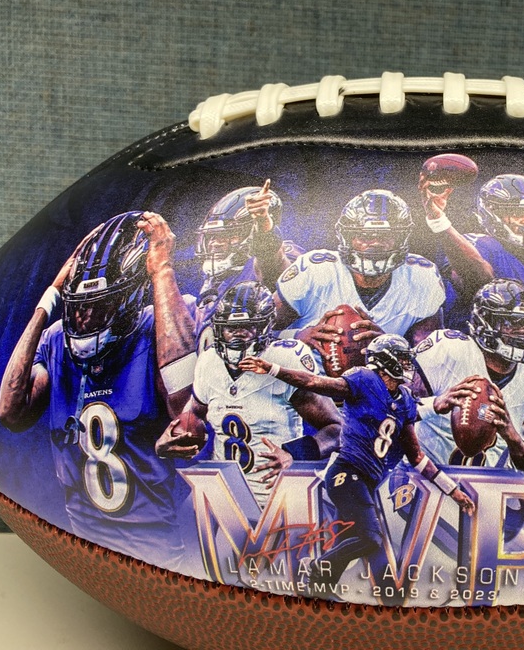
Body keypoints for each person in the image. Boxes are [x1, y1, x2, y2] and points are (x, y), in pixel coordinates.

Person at [0, 211, 198, 569]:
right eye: (78, 308)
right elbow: (10, 412)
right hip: (83, 539)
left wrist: (161, 271)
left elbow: (183, 404)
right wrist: (49, 299)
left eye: (99, 306)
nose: (85, 319)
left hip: (153, 545)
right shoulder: (56, 340)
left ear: (128, 300)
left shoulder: (159, 327)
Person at [243, 334, 475, 590]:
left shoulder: (405, 399)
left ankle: (319, 588)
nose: (407, 364)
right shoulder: (365, 380)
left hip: (368, 481)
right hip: (347, 473)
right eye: (401, 359)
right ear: (385, 360)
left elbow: (417, 457)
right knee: (371, 539)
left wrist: (452, 490)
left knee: (348, 541)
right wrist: (273, 369)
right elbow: (315, 382)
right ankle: (317, 567)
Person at [156, 281, 342, 507]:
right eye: (230, 328)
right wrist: (168, 441)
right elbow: (193, 416)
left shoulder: (284, 360)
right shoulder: (209, 362)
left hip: (279, 500)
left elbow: (337, 429)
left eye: (246, 328)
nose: (237, 336)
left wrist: (296, 453)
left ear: (265, 327)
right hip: (224, 500)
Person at [420, 172, 524, 359]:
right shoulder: (475, 245)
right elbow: (479, 280)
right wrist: (439, 222)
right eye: (518, 213)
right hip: (480, 360)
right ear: (492, 213)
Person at [412, 278, 524, 483]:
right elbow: (387, 412)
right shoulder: (448, 351)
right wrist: (432, 405)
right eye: (510, 322)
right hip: (423, 479)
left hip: (491, 490)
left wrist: (514, 440)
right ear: (484, 321)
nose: (522, 331)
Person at [274, 189, 446, 353]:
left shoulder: (421, 276)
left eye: (386, 235)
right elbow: (261, 333)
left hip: (382, 371)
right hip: (306, 368)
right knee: (286, 353)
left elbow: (427, 356)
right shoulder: (315, 270)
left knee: (451, 345)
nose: (376, 243)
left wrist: (390, 346)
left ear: (401, 238)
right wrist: (296, 336)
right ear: (348, 238)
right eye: (365, 236)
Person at [193, 181, 298, 350]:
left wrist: (263, 226)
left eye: (229, 234)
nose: (215, 244)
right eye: (212, 236)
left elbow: (271, 264)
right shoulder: (217, 279)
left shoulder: (279, 253)